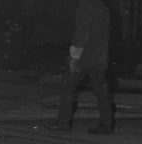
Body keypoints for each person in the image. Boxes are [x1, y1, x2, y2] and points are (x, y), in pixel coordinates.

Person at [47, 0, 114, 134]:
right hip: (100, 56)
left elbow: (81, 31)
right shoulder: (103, 7)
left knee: (68, 87)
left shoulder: (85, 5)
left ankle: (63, 122)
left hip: (84, 56)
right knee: (101, 90)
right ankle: (107, 123)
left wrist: (75, 56)